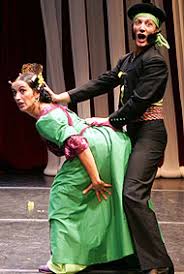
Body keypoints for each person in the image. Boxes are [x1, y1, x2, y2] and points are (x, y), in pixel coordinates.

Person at [45, 1, 174, 274]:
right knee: (119, 194)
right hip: (132, 134)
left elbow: (139, 102)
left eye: (148, 24)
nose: (141, 27)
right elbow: (103, 82)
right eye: (138, 22)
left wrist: (109, 120)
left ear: (155, 31)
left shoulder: (155, 63)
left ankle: (159, 265)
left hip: (150, 135)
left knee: (133, 195)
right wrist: (63, 97)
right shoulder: (128, 60)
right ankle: (129, 258)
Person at [10, 63, 135, 274]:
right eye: (14, 92)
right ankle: (102, 253)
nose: (17, 97)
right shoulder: (51, 109)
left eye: (23, 91)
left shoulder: (44, 119)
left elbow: (78, 143)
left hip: (93, 148)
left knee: (61, 197)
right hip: (108, 144)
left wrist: (95, 178)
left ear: (37, 93)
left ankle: (65, 262)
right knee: (97, 200)